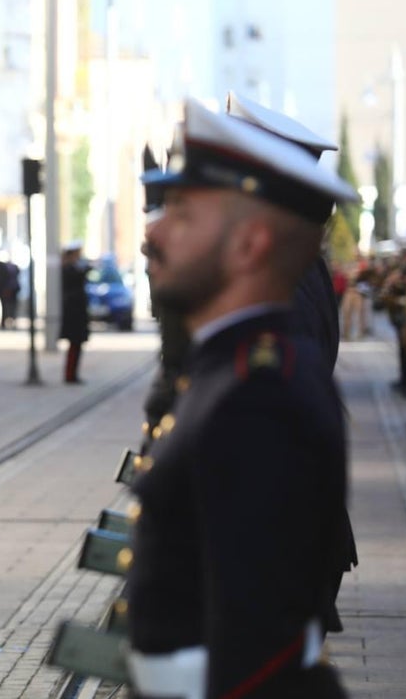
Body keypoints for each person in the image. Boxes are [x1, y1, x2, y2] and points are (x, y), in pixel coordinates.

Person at [127, 99, 356, 698]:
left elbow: (256, 650)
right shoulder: (228, 367)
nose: (154, 231)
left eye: (184, 213)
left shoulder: (258, 396)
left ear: (250, 244)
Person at [59, 240, 90, 383]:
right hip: (73, 314)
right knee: (74, 346)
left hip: (77, 313)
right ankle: (70, 375)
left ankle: (72, 374)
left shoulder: (74, 268)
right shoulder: (68, 269)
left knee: (76, 346)